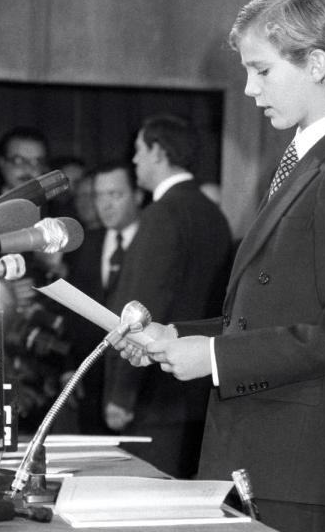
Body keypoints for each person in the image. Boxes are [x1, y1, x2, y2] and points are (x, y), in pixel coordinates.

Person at [114, 0, 325, 532]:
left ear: (315, 63)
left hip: (301, 469)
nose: (248, 88)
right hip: (267, 459)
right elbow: (272, 314)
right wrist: (177, 336)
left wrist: (216, 358)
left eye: (262, 70)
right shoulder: (307, 163)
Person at [102, 115, 231, 478]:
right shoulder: (213, 215)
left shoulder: (163, 213)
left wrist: (122, 393)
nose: (135, 160)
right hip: (201, 389)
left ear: (159, 152)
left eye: (140, 150)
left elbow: (141, 307)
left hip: (156, 396)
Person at [60, 162, 143, 435]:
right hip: (91, 384)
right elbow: (72, 312)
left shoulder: (153, 243)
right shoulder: (85, 244)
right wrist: (68, 367)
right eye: (99, 196)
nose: (104, 206)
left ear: (138, 195)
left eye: (115, 195)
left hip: (140, 386)